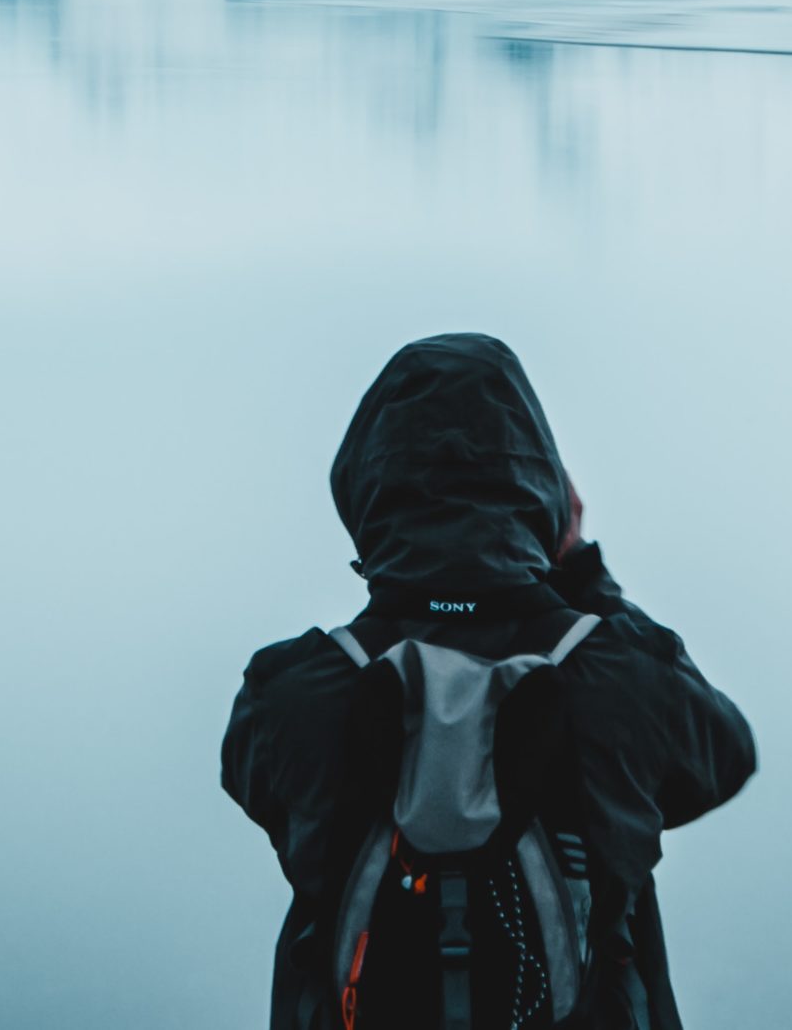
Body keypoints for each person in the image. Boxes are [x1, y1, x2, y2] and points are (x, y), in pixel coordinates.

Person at [222, 333, 756, 1030]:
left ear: (364, 491)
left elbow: (253, 781)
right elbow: (725, 753)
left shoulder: (288, 697)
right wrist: (581, 573)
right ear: (540, 489)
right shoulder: (623, 678)